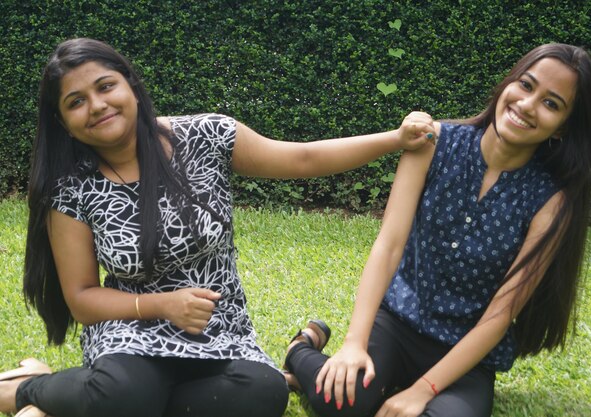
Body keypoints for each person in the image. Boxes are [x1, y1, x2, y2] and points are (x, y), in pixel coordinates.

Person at [0, 38, 435, 417]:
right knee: (124, 394)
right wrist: (163, 305)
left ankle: (91, 402)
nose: (96, 106)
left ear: (131, 84)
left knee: (263, 393)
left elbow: (303, 158)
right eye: (76, 101)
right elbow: (82, 298)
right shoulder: (71, 187)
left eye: (105, 86)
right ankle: (31, 387)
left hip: (218, 329)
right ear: (64, 122)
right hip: (129, 332)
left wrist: (394, 140)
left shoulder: (206, 137)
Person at [283, 43, 591, 417]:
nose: (528, 105)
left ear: (563, 128)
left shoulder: (551, 201)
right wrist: (354, 342)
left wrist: (422, 391)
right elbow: (389, 245)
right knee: (340, 401)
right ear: (506, 85)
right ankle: (300, 349)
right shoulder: (432, 142)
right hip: (397, 322)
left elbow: (500, 314)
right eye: (526, 85)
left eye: (552, 104)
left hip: (464, 355)